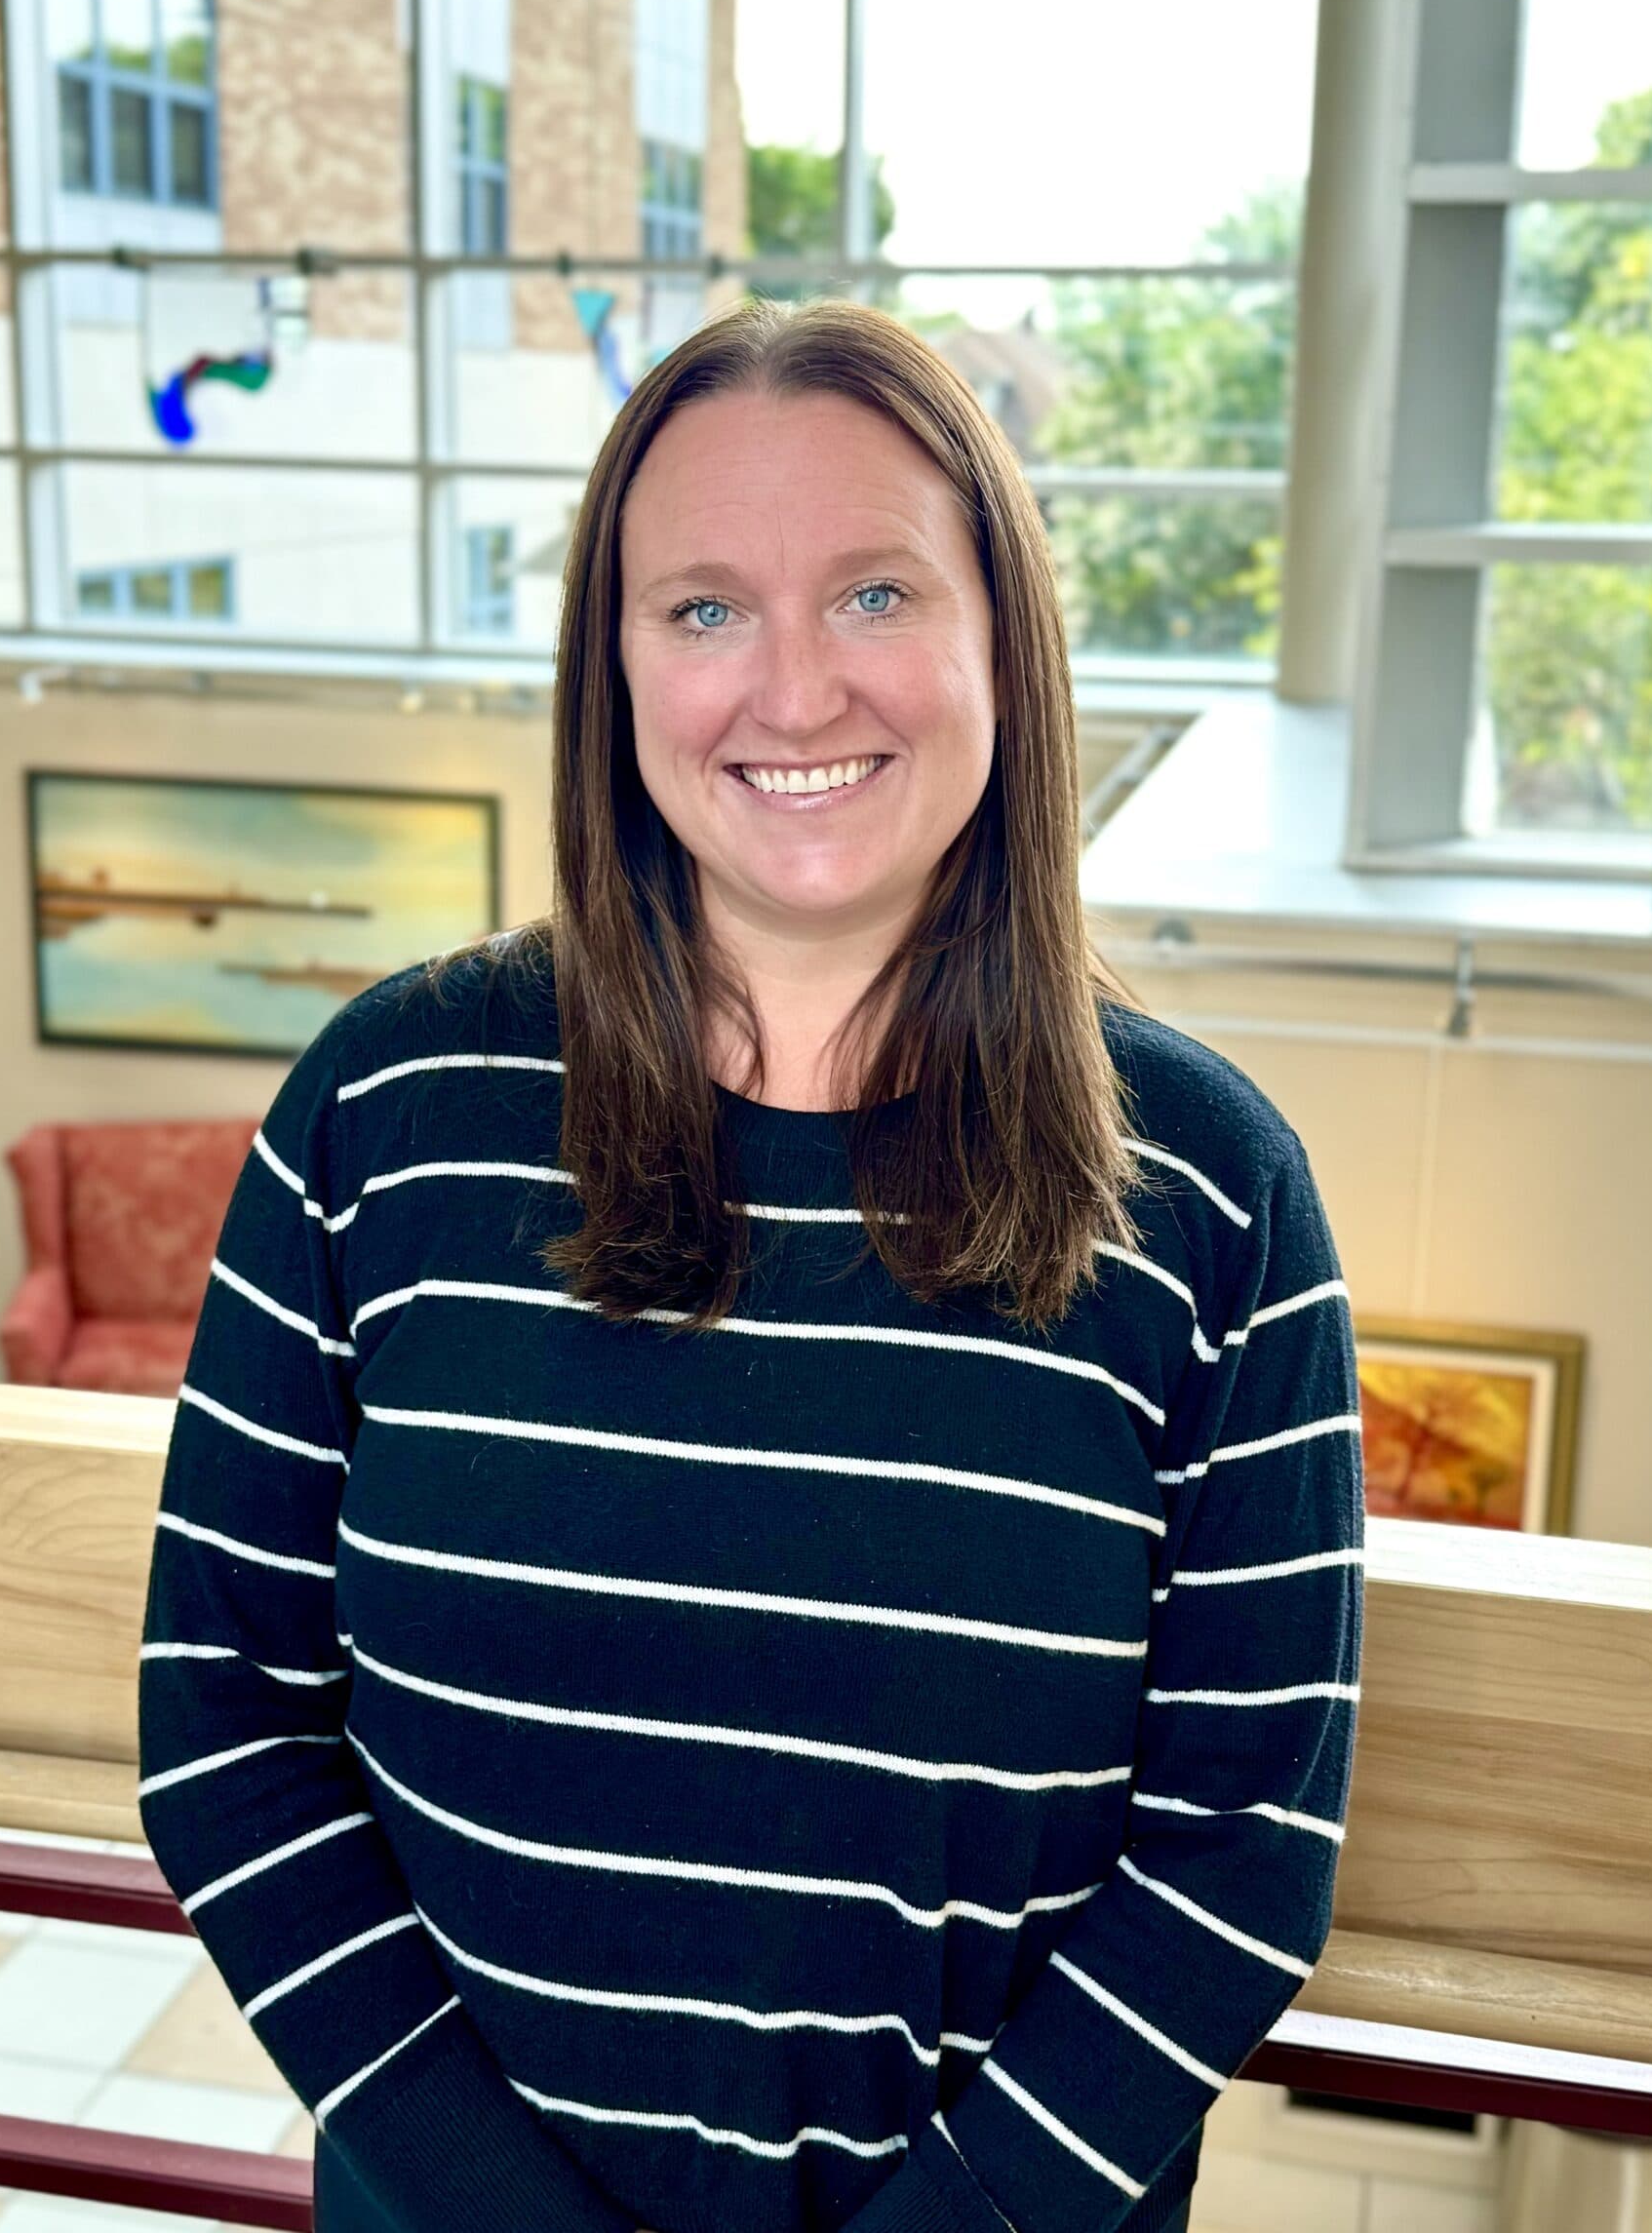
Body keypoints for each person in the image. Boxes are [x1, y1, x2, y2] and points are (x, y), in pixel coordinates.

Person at [137, 297, 1364, 2233]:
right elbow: (223, 1708)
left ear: (998, 636)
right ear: (613, 665)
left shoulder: (1207, 1189)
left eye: (873, 592)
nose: (792, 690)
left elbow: (1241, 1840)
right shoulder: (387, 1108)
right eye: (701, 607)